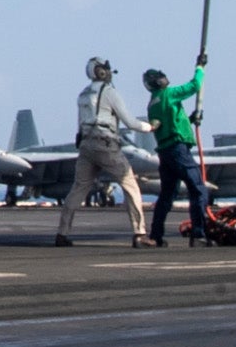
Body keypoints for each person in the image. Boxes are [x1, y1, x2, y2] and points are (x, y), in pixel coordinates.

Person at [59, 56, 151, 247]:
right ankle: (139, 233)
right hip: (106, 145)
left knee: (78, 189)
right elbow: (130, 122)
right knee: (130, 185)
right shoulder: (109, 93)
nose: (109, 72)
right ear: (100, 71)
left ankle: (62, 233)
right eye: (106, 69)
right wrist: (150, 127)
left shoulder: (83, 94)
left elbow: (80, 125)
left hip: (86, 146)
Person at [143, 64, 209, 245]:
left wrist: (190, 118)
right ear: (157, 81)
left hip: (165, 153)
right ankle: (198, 234)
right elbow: (195, 85)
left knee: (166, 195)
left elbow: (170, 121)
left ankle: (156, 236)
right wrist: (200, 68)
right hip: (178, 149)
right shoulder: (169, 94)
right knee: (198, 189)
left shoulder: (153, 103)